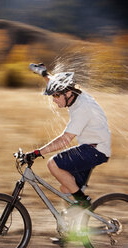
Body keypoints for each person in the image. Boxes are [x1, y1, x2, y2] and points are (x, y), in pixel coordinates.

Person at [25, 63, 111, 209]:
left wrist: (37, 153)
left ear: (68, 93)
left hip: (95, 151)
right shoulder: (74, 95)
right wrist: (44, 73)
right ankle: (77, 226)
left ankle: (83, 201)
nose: (54, 99)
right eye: (53, 95)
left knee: (53, 164)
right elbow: (57, 85)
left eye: (56, 96)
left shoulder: (83, 108)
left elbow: (65, 140)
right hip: (92, 148)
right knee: (66, 189)